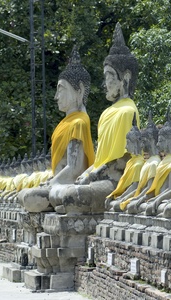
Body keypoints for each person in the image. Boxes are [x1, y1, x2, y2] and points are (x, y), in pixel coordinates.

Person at [53, 23, 141, 215]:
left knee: (70, 196)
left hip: (115, 180)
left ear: (125, 77)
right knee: (62, 194)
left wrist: (93, 175)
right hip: (99, 177)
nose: (105, 83)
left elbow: (122, 159)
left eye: (109, 76)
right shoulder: (106, 114)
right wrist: (87, 173)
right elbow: (101, 157)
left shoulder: (128, 111)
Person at [19, 45, 95, 213]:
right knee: (23, 195)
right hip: (59, 183)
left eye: (61, 90)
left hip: (70, 184)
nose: (56, 96)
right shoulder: (64, 125)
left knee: (31, 198)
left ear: (79, 91)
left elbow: (75, 169)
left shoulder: (79, 123)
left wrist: (53, 183)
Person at [126, 111, 171, 214]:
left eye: (160, 141)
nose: (158, 144)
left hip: (165, 201)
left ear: (168, 140)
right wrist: (143, 197)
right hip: (158, 200)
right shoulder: (161, 162)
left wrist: (157, 198)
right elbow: (150, 188)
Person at [114, 113, 161, 212]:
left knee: (124, 206)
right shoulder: (146, 162)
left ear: (152, 141)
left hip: (147, 198)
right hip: (140, 196)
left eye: (144, 141)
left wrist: (138, 198)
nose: (142, 144)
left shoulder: (149, 163)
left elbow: (149, 188)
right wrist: (124, 197)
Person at [105, 116, 144, 210]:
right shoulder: (131, 161)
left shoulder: (138, 163)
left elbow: (135, 186)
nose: (126, 147)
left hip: (134, 195)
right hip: (126, 194)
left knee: (116, 206)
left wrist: (123, 198)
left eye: (128, 143)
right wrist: (114, 196)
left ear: (134, 143)